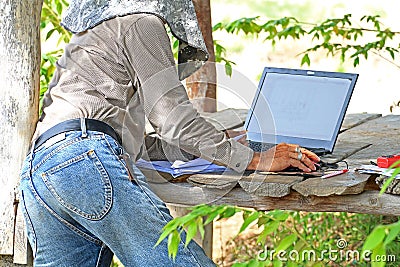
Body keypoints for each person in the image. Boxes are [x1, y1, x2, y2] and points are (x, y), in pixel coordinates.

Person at [19, 0, 320, 266]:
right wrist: (254, 159)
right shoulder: (141, 21)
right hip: (83, 157)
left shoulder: (98, 28)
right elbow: (172, 119)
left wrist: (217, 147)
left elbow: (128, 142)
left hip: (41, 172)